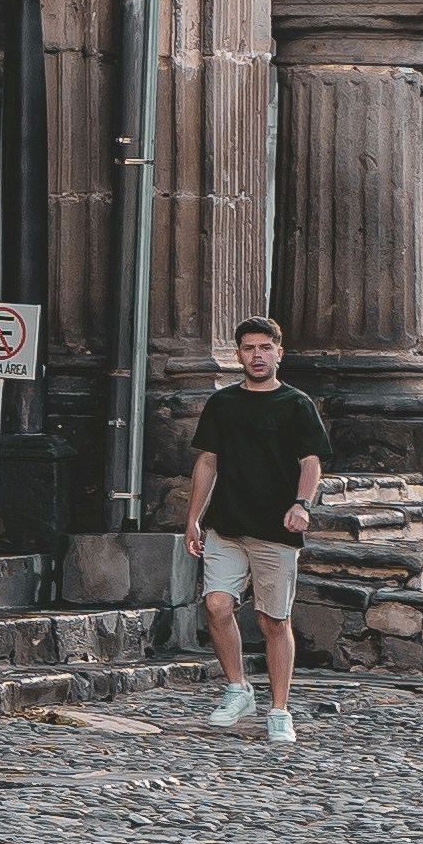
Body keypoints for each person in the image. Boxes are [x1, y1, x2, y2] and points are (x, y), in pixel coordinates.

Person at [174, 314, 325, 744]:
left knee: (272, 620)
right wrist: (192, 520)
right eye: (248, 348)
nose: (256, 356)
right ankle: (238, 688)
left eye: (264, 348)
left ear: (279, 352)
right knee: (218, 605)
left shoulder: (296, 404)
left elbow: (311, 460)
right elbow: (207, 461)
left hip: (276, 529)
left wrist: (302, 504)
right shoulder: (223, 403)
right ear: (238, 354)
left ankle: (279, 709)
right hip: (226, 526)